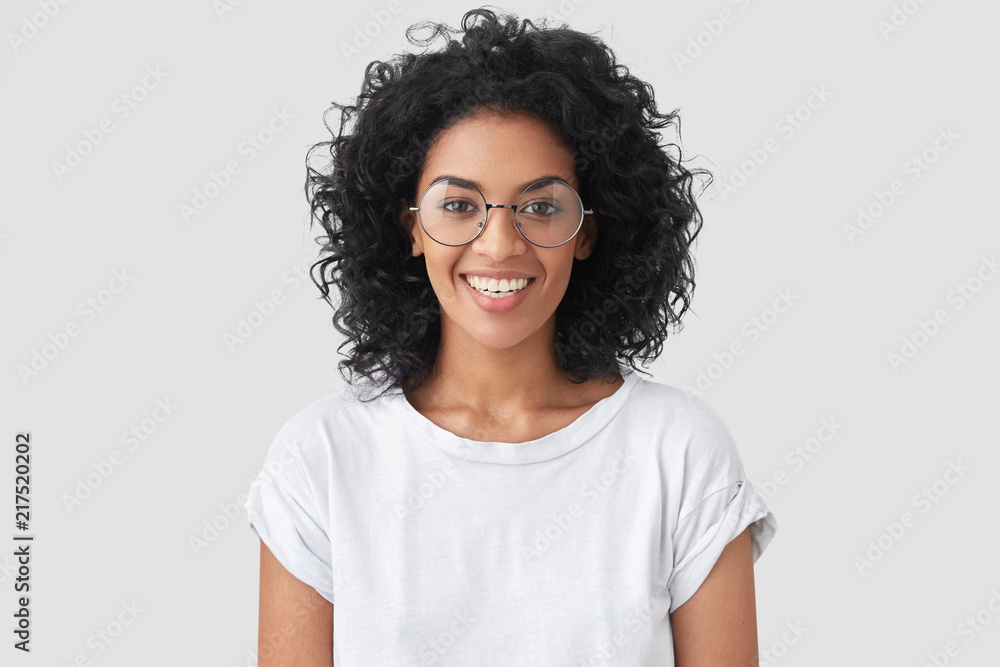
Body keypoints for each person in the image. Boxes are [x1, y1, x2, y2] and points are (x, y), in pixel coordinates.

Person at [245, 7, 777, 665]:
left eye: (542, 206)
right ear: (409, 224)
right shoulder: (321, 460)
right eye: (459, 205)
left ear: (589, 231)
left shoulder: (679, 451)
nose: (498, 244)